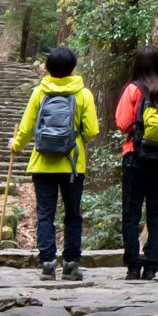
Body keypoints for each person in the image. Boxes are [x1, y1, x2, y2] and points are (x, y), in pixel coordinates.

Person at [11, 46, 100, 282]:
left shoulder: (39, 92)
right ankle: (71, 263)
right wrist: (76, 140)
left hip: (43, 163)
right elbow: (92, 130)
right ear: (72, 68)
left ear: (49, 68)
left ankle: (48, 263)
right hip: (72, 165)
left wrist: (16, 146)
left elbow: (27, 126)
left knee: (45, 215)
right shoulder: (83, 94)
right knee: (72, 215)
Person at [114, 45, 158, 280]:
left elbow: (123, 124)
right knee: (157, 214)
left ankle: (133, 266)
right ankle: (152, 265)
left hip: (135, 158)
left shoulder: (133, 90)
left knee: (131, 213)